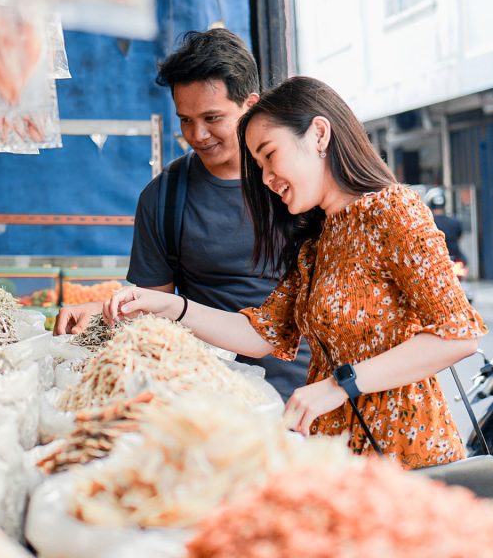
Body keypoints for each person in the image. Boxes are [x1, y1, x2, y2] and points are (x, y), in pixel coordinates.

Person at [103, 76, 488, 469]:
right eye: (258, 164)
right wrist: (168, 305)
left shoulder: (394, 211)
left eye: (269, 155)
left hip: (404, 457)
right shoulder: (317, 242)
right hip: (336, 456)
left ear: (319, 134)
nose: (266, 177)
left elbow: (457, 337)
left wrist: (341, 384)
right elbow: (259, 334)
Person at [54, 28, 308, 401]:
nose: (197, 134)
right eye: (185, 119)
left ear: (250, 106)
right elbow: (154, 308)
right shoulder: (164, 197)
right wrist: (102, 311)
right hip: (213, 402)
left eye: (212, 117)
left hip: (315, 396)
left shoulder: (295, 183)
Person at [427, 189, 466, 263]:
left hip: (437, 262)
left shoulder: (428, 223)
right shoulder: (455, 222)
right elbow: (459, 238)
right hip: (456, 261)